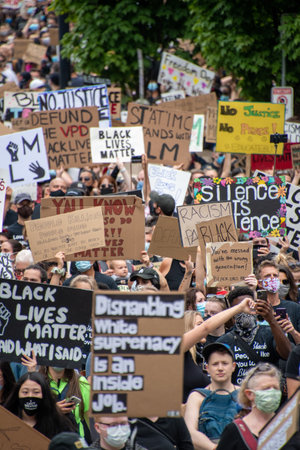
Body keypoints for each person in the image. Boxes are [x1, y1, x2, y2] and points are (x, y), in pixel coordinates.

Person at [217, 286, 291, 385]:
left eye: (249, 306)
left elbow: (287, 354)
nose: (245, 312)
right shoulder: (224, 341)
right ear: (233, 312)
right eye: (240, 308)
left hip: (267, 392)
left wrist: (271, 320)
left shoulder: (270, 333)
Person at [184, 343, 239, 449]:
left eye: (225, 363)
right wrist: (214, 448)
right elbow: (190, 432)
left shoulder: (243, 395)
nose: (220, 368)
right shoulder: (197, 396)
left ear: (233, 367)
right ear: (207, 368)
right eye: (215, 364)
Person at [216, 363, 282, 450]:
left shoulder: (290, 425)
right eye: (266, 388)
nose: (272, 392)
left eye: (276, 388)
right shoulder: (234, 431)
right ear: (249, 394)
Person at [4, 372, 75, 439]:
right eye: (25, 392)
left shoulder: (60, 424)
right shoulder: (6, 421)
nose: (30, 396)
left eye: (36, 392)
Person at [256, 260, 300, 343]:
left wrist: (293, 332)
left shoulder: (295, 308)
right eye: (268, 276)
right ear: (260, 283)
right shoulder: (255, 309)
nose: (272, 278)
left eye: (275, 275)